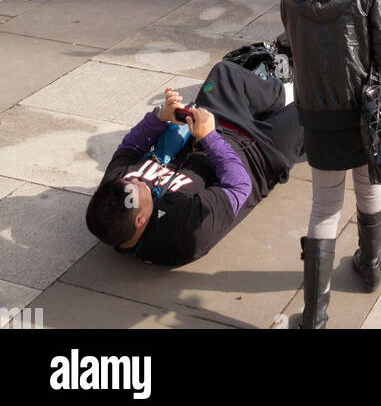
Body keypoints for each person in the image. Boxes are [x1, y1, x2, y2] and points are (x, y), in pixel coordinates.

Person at [280, 0, 381, 329]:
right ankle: (370, 268)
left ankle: (314, 318)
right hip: (366, 111)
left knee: (324, 207)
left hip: (318, 113)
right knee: (370, 189)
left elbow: (290, 46)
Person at [85, 60, 303, 267]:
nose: (137, 180)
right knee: (313, 105)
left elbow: (130, 147)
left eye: (129, 179)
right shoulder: (185, 233)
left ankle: (284, 93)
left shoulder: (115, 193)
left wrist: (160, 117)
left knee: (224, 72)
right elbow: (239, 185)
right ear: (140, 220)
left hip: (208, 123)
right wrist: (209, 138)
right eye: (137, 188)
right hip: (260, 153)